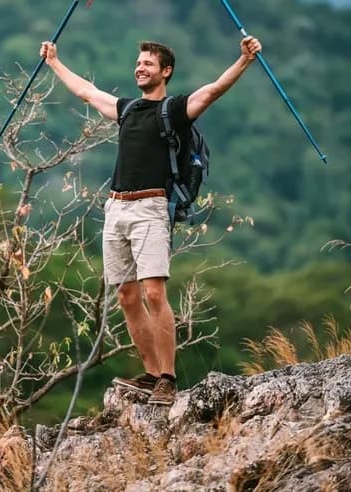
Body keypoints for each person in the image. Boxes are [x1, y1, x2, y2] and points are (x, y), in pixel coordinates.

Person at [39, 35, 262, 406]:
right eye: (138, 63)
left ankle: (168, 378)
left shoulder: (174, 110)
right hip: (116, 208)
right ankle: (150, 374)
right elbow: (86, 92)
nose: (139, 68)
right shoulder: (127, 109)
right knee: (127, 297)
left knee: (154, 293)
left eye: (147, 64)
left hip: (150, 208)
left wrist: (244, 61)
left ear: (166, 72)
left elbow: (212, 91)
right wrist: (54, 62)